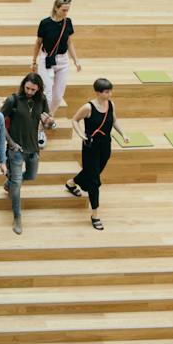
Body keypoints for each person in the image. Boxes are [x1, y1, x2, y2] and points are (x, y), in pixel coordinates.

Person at [65, 77, 127, 230]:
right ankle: (95, 215)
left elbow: (114, 121)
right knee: (94, 181)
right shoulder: (88, 107)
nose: (109, 94)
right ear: (98, 93)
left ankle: (71, 183)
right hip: (91, 146)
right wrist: (80, 134)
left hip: (105, 145)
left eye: (110, 91)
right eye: (106, 92)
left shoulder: (111, 104)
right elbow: (74, 120)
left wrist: (123, 134)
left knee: (91, 172)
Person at [2, 72, 55, 235]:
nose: (29, 92)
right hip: (16, 150)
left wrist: (50, 123)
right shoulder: (13, 100)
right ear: (23, 85)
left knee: (31, 176)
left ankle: (9, 183)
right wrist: (11, 143)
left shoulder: (42, 100)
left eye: (33, 89)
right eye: (27, 88)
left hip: (33, 148)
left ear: (38, 89)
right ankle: (17, 216)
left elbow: (47, 123)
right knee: (17, 184)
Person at [32, 0, 80, 114]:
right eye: (64, 10)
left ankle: (49, 115)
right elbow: (38, 43)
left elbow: (69, 42)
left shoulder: (68, 22)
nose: (66, 13)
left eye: (67, 10)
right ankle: (41, 118)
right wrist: (34, 61)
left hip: (62, 60)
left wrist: (75, 60)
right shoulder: (45, 23)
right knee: (47, 92)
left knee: (58, 96)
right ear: (56, 8)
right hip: (46, 58)